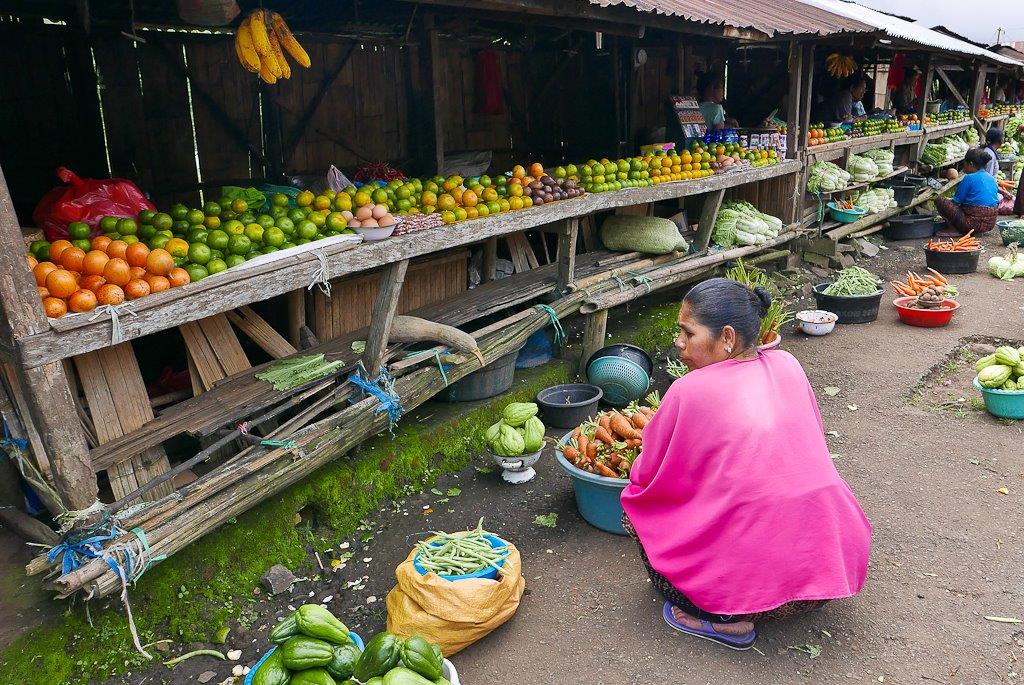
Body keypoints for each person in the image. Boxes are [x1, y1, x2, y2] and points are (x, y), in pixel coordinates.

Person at [620, 279, 872, 651]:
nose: (679, 343)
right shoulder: (787, 363)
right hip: (829, 563)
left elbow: (648, 473)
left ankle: (726, 623)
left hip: (748, 580)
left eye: (687, 333)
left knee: (637, 507)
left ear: (726, 337)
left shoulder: (690, 390)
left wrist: (643, 495)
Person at [935, 148, 999, 236]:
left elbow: (956, 202)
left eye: (965, 163)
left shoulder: (969, 178)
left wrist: (948, 200)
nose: (963, 166)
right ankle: (976, 231)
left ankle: (954, 229)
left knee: (940, 201)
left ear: (971, 164)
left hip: (970, 223)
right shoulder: (992, 178)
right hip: (989, 224)